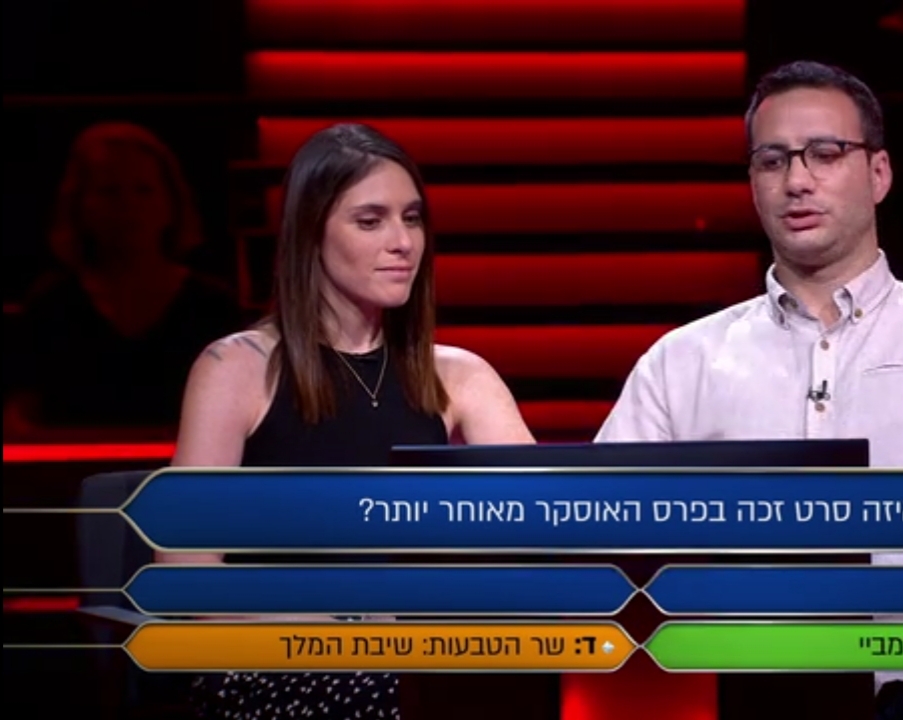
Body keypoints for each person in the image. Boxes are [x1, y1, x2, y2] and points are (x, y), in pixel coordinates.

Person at [596, 60, 903, 720]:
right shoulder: (681, 361)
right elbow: (603, 543)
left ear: (879, 173)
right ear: (753, 185)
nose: (797, 180)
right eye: (772, 161)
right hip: (742, 685)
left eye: (825, 153)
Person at [156, 123, 535, 718]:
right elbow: (186, 575)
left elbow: (542, 537)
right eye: (370, 221)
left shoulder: (461, 376)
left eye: (412, 219)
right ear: (311, 232)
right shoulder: (237, 368)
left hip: (419, 661)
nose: (402, 242)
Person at [4, 121, 242, 432]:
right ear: (79, 207)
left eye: (143, 190)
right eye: (109, 192)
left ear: (170, 204)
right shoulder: (51, 304)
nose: (128, 206)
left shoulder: (212, 306)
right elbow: (21, 412)